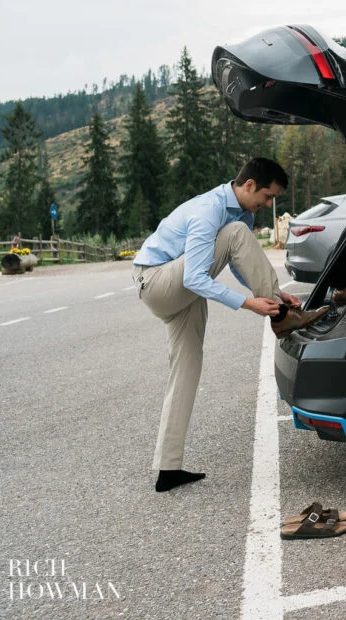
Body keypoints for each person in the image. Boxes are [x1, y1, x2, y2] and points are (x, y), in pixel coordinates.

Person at [134, 158, 330, 492]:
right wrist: (251, 303)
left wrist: (275, 292)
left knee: (186, 372)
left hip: (181, 288)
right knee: (236, 233)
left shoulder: (243, 212)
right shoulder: (210, 210)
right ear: (249, 184)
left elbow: (237, 262)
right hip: (156, 281)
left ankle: (168, 469)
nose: (268, 205)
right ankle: (283, 318)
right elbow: (196, 275)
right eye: (267, 197)